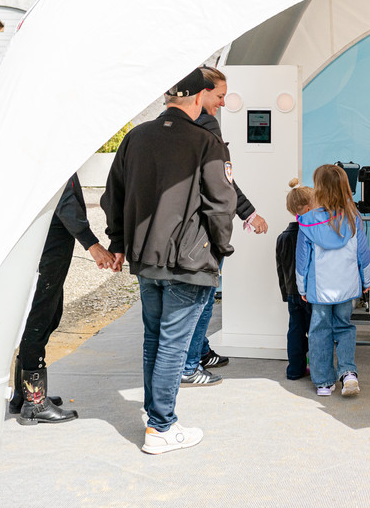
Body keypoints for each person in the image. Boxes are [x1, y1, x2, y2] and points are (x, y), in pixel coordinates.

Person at [101, 68, 236, 455]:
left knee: (154, 340)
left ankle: (153, 413)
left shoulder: (136, 137)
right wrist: (220, 249)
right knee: (173, 346)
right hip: (189, 262)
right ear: (198, 97)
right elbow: (221, 204)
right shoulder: (206, 142)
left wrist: (119, 242)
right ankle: (161, 427)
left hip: (146, 259)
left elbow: (113, 196)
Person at [180, 65, 269, 385]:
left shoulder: (173, 125)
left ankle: (199, 351)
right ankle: (190, 365)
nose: (222, 102)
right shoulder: (207, 125)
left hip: (182, 227)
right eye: (219, 95)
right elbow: (222, 180)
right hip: (204, 230)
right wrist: (250, 214)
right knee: (203, 298)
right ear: (202, 93)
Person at [10, 173, 118, 424]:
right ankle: (34, 403)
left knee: (47, 313)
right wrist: (92, 244)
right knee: (40, 316)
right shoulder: (50, 154)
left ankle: (23, 395)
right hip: (48, 242)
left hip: (49, 240)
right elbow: (65, 199)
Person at [296, 164, 370, 397]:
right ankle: (348, 373)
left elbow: (302, 260)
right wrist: (366, 281)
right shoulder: (353, 217)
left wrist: (301, 287)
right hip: (347, 287)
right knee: (345, 327)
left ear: (318, 189)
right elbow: (363, 253)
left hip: (319, 289)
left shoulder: (307, 222)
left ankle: (323, 382)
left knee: (319, 331)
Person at [276, 178, 314, 381]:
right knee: (316, 330)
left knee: (295, 330)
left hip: (292, 292)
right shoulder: (312, 234)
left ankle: (294, 370)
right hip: (310, 292)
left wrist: (285, 293)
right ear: (309, 208)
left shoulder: (283, 237)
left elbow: (280, 268)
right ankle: (318, 369)